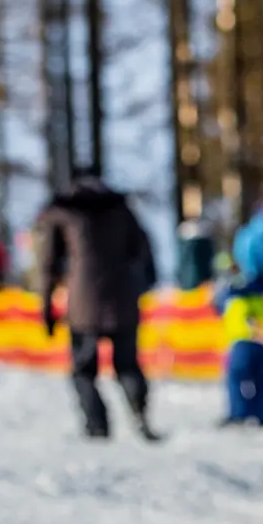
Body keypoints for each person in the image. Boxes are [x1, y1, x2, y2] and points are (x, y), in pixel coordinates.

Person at [35, 167, 159, 440]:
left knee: (83, 369)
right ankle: (139, 415)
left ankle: (97, 425)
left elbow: (47, 264)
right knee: (127, 364)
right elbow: (143, 247)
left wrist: (46, 307)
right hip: (123, 300)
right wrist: (146, 283)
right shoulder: (120, 207)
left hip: (82, 305)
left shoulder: (63, 211)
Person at [213, 253, 263, 427]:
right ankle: (261, 414)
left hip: (245, 339)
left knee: (236, 376)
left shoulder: (231, 291)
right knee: (258, 378)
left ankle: (239, 413)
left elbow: (218, 305)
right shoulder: (255, 286)